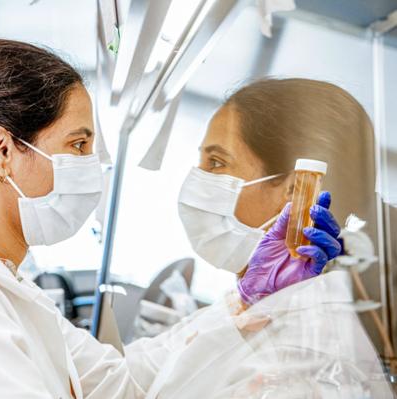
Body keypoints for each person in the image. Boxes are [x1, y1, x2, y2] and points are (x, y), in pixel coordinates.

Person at [0, 40, 340, 398]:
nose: (92, 168)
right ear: (1, 151)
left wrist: (247, 299)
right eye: (78, 145)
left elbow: (122, 383)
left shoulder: (1, 286)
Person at [155, 78, 393, 398]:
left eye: (216, 162)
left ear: (298, 190)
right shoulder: (263, 306)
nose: (196, 181)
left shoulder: (303, 359)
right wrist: (245, 302)